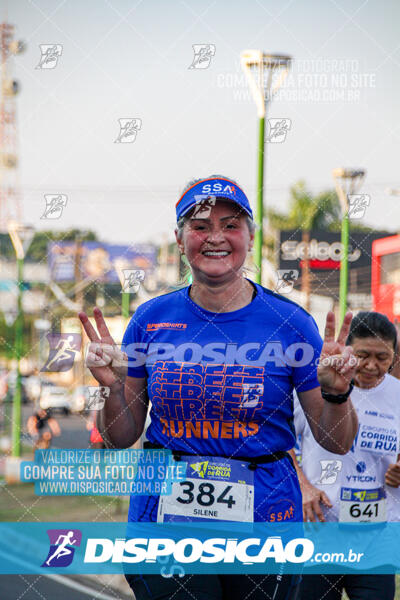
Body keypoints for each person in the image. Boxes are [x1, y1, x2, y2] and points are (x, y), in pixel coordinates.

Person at [79, 175, 358, 600]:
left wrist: (338, 393)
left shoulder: (291, 323)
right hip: (165, 521)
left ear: (250, 236)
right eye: (200, 225)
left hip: (266, 521)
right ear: (179, 238)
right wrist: (112, 390)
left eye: (230, 225)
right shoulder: (149, 320)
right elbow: (120, 437)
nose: (215, 237)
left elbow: (336, 443)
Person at [292, 311, 400, 600]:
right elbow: (279, 442)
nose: (372, 366)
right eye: (363, 355)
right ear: (347, 350)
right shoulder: (318, 386)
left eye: (383, 357)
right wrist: (302, 485)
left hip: (377, 539)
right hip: (319, 533)